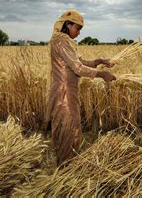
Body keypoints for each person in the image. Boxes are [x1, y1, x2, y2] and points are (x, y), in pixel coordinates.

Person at [45, 9, 116, 166]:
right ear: (68, 24)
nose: (78, 33)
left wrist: (98, 60)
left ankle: (67, 164)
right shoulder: (61, 42)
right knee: (68, 130)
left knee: (71, 128)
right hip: (64, 94)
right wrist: (101, 75)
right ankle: (65, 168)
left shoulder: (63, 41)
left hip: (68, 92)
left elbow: (79, 62)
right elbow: (78, 68)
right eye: (77, 28)